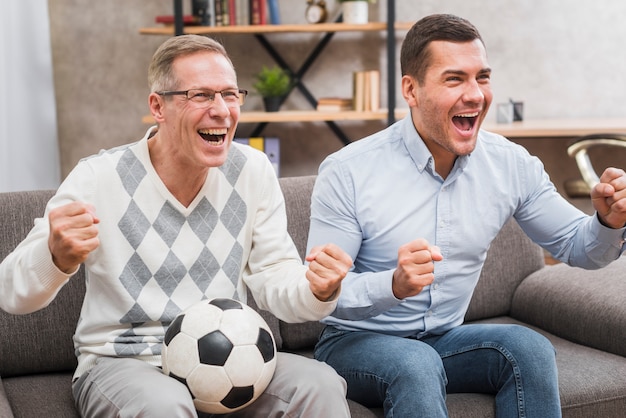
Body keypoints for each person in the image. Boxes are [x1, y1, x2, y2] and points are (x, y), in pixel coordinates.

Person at [0, 34, 354, 418]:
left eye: (230, 94)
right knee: (165, 407)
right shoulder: (98, 178)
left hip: (231, 358)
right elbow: (12, 293)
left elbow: (274, 276)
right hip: (125, 362)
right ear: (158, 107)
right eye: (200, 95)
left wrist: (318, 289)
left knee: (320, 384)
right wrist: (55, 257)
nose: (221, 110)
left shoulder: (253, 171)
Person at [307, 13, 626, 418]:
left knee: (527, 347)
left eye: (483, 77)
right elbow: (323, 298)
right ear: (411, 89)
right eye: (455, 79)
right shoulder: (348, 170)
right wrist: (393, 285)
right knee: (413, 362)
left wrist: (609, 222)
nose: (475, 94)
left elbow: (579, 248)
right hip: (354, 344)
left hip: (445, 339)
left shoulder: (510, 164)